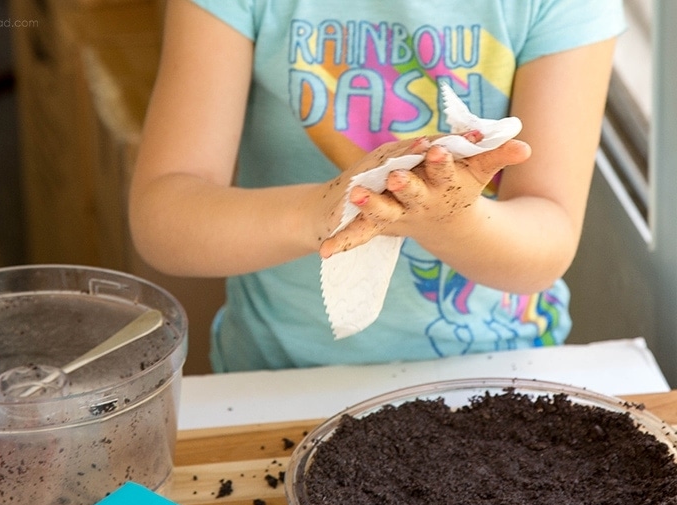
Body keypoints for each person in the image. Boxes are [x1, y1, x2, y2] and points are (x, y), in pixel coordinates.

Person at [129, 0, 625, 372]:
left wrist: (450, 218)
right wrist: (328, 209)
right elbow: (164, 218)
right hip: (280, 376)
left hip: (499, 372)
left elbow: (549, 234)